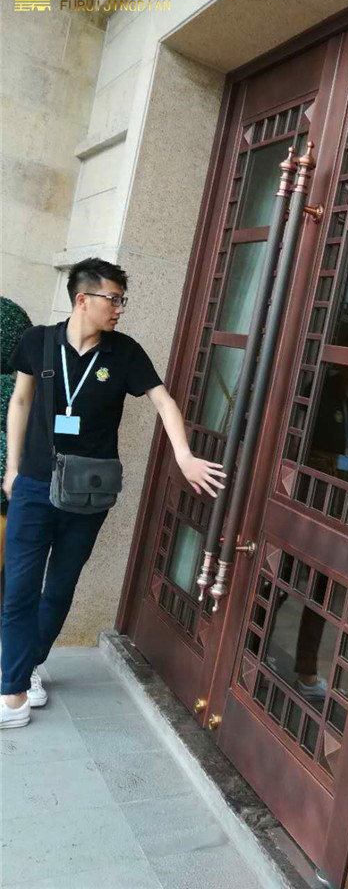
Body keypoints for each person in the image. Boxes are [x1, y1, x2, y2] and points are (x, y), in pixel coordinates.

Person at [1, 258, 226, 729]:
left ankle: (27, 665)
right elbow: (20, 400)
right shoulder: (38, 342)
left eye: (123, 299)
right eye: (114, 299)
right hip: (35, 486)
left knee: (60, 585)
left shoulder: (124, 353)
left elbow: (164, 401)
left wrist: (184, 456)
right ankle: (13, 692)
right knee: (20, 587)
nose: (120, 308)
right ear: (83, 299)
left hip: (88, 493)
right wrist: (14, 467)